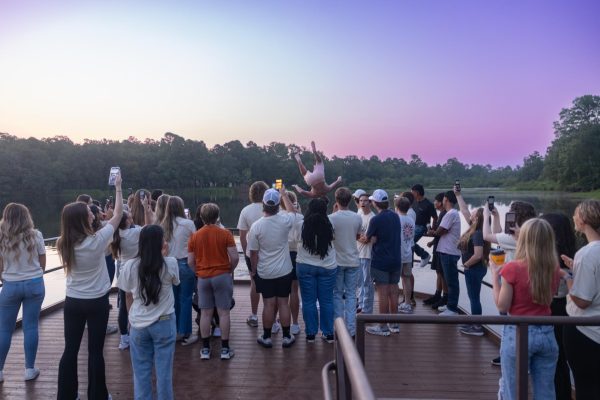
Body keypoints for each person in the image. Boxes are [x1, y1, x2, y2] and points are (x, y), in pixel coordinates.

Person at [56, 171, 123, 400]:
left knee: (70, 350)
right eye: (89, 213)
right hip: (96, 302)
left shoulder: (63, 243)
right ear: (83, 219)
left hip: (73, 301)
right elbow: (117, 215)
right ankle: (97, 395)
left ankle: (66, 395)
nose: (93, 214)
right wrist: (118, 188)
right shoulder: (97, 240)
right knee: (95, 351)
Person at [491, 218, 560, 400]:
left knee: (511, 389)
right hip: (547, 333)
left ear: (524, 239)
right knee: (546, 391)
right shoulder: (553, 268)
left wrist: (494, 276)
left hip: (518, 333)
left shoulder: (512, 268)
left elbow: (502, 306)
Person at [118, 225, 179, 400]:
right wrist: (165, 256)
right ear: (161, 242)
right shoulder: (170, 263)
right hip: (164, 322)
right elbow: (175, 281)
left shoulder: (130, 265)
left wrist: (131, 317)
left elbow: (128, 295)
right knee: (164, 374)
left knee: (141, 373)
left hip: (138, 324)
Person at [483, 200, 536, 366]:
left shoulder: (516, 238)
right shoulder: (531, 235)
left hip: (512, 281)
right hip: (529, 281)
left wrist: (486, 216)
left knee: (507, 318)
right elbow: (500, 235)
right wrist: (497, 216)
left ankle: (510, 355)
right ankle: (515, 354)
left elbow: (487, 236)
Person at [0, 203, 46, 383]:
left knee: (4, 329)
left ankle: (0, 371)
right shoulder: (36, 235)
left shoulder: (2, 236)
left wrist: (5, 278)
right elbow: (42, 261)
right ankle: (29, 369)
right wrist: (36, 275)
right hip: (34, 284)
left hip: (10, 285)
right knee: (31, 326)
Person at [188, 203, 239, 360]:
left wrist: (198, 272)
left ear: (201, 217)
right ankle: (224, 349)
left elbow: (190, 261)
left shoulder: (195, 236)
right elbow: (235, 257)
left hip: (203, 278)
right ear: (217, 216)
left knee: (205, 313)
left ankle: (205, 349)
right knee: (223, 313)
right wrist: (229, 270)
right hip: (222, 276)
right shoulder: (225, 234)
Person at [247, 188, 297, 348]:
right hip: (284, 271)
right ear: (277, 206)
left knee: (268, 304)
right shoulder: (284, 221)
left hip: (265, 271)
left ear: (263, 204)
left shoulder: (256, 226)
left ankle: (267, 337)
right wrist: (283, 194)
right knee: (283, 303)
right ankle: (287, 336)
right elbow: (292, 210)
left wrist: (254, 270)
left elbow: (253, 253)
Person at [561, 200, 600, 399]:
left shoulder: (587, 253)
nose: (573, 218)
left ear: (584, 220)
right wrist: (577, 267)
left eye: (575, 214)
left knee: (586, 387)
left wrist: (567, 277)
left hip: (585, 331)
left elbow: (582, 301)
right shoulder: (586, 256)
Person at [540, 213, 576, 400]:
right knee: (562, 359)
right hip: (569, 312)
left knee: (553, 359)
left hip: (554, 309)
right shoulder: (573, 254)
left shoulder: (551, 257)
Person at [296, 198, 338, 342]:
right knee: (327, 301)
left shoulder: (301, 224)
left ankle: (310, 334)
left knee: (308, 301)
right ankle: (328, 333)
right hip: (327, 267)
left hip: (305, 267)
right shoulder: (331, 223)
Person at [365, 189, 402, 336]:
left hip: (381, 261)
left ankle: (382, 326)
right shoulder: (395, 216)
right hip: (396, 260)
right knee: (393, 292)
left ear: (375, 203)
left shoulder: (375, 220)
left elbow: (368, 238)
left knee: (382, 293)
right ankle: (394, 324)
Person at [161, 196, 197, 346]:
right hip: (185, 265)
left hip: (169, 265)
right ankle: (185, 333)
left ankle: (174, 331)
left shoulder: (163, 224)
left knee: (173, 300)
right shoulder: (188, 224)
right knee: (186, 299)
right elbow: (195, 244)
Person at [330, 188, 363, 338]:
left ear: (336, 201)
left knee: (337, 294)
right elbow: (357, 235)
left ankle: (339, 328)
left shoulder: (331, 218)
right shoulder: (357, 218)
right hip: (353, 261)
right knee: (351, 295)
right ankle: (351, 329)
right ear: (350, 200)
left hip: (336, 261)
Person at [237, 181, 269, 328]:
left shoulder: (245, 210)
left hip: (252, 254)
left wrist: (245, 253)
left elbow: (242, 237)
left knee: (254, 284)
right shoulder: (273, 209)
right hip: (270, 254)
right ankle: (272, 320)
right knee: (270, 286)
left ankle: (255, 316)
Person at [110, 211, 142, 350]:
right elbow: (151, 227)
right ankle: (138, 333)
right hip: (137, 271)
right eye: (130, 216)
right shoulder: (135, 232)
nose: (132, 218)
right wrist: (146, 209)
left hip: (123, 272)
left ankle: (124, 338)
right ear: (127, 221)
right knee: (140, 302)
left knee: (123, 306)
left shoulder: (116, 234)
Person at [428, 191, 461, 316]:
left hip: (449, 252)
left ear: (446, 200)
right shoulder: (451, 213)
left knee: (451, 281)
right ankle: (449, 305)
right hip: (446, 251)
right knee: (449, 280)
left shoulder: (450, 214)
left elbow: (440, 231)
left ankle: (452, 308)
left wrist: (431, 232)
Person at [457, 207, 489, 336]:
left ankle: (477, 327)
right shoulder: (476, 230)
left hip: (474, 269)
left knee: (474, 298)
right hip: (476, 269)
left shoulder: (477, 233)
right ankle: (475, 322)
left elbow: (478, 255)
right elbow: (464, 211)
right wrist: (458, 195)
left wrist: (466, 264)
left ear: (477, 218)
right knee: (473, 298)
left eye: (473, 213)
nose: (470, 214)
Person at [280, 190, 303, 335]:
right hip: (296, 255)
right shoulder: (300, 217)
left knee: (280, 292)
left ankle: (278, 321)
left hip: (281, 255)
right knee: (294, 290)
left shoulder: (277, 217)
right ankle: (294, 323)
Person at [424, 193, 448, 309]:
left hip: (442, 248)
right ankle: (438, 295)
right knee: (439, 272)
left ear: (440, 202)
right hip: (438, 246)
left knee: (442, 273)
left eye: (435, 201)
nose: (434, 203)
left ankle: (445, 298)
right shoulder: (442, 214)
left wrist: (430, 231)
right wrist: (433, 242)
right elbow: (440, 233)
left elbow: (439, 232)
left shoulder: (445, 214)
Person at [355, 191, 375, 314]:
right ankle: (361, 304)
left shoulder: (373, 217)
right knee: (359, 282)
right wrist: (360, 237)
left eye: (365, 201)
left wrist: (361, 237)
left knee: (367, 282)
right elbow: (355, 233)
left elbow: (369, 238)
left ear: (370, 203)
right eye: (361, 200)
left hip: (368, 254)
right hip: (357, 253)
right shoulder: (358, 215)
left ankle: (367, 308)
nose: (363, 203)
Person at [396, 197, 415, 314]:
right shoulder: (411, 219)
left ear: (397, 207)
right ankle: (407, 303)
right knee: (406, 279)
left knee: (394, 281)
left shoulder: (396, 219)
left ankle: (394, 302)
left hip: (397, 254)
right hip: (408, 253)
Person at [411, 184, 437, 268]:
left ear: (417, 192)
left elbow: (435, 217)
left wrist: (432, 229)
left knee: (410, 241)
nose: (411, 194)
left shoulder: (428, 204)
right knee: (406, 240)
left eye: (412, 192)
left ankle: (424, 255)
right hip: (412, 226)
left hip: (422, 227)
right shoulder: (413, 202)